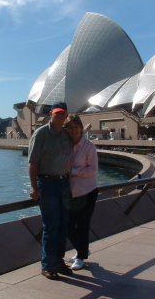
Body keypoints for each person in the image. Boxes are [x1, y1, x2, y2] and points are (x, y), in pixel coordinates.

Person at [28, 102, 73, 280]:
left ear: (66, 115)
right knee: (51, 226)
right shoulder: (41, 134)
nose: (60, 116)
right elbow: (32, 163)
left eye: (63, 114)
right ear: (50, 114)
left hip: (64, 183)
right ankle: (47, 265)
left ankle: (59, 261)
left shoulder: (66, 134)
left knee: (63, 225)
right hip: (46, 184)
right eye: (57, 113)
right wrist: (34, 186)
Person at [63, 114, 98, 271]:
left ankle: (81, 256)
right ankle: (82, 248)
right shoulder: (65, 145)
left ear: (81, 128)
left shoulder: (88, 146)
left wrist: (74, 170)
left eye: (76, 127)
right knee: (67, 225)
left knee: (82, 226)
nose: (73, 130)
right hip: (70, 193)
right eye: (69, 127)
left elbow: (93, 169)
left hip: (87, 192)